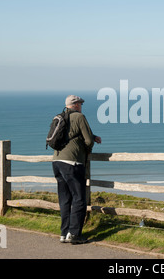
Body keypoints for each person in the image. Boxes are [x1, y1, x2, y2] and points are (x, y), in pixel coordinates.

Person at [52, 94, 101, 244]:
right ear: (75, 105)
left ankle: (64, 233)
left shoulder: (59, 117)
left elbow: (71, 134)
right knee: (79, 198)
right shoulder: (80, 117)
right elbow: (86, 140)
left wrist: (93, 136)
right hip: (72, 163)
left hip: (57, 162)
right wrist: (88, 148)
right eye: (80, 103)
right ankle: (74, 235)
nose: (81, 106)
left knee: (65, 199)